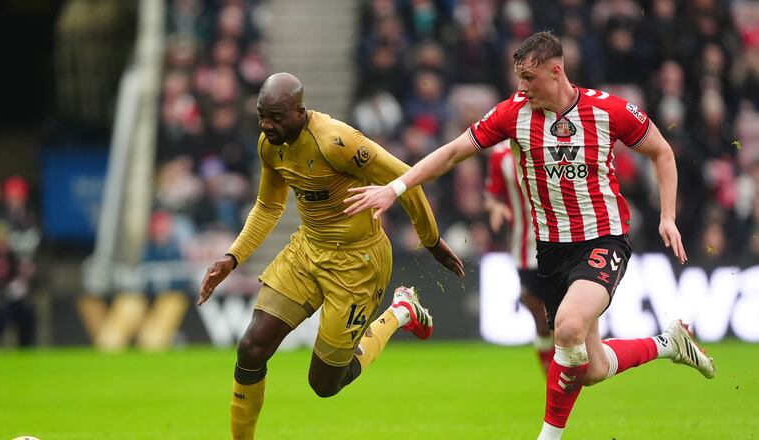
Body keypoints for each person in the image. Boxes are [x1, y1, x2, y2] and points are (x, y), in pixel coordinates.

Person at [344, 31, 715, 440]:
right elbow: (451, 153)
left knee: (570, 328)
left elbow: (661, 151)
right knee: (589, 368)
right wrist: (395, 188)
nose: (521, 86)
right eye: (518, 77)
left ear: (556, 72)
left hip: (603, 239)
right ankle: (669, 343)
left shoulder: (608, 110)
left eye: (529, 78)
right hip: (552, 252)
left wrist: (667, 215)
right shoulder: (512, 114)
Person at [198, 72, 464, 439]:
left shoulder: (337, 142)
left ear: (299, 112)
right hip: (307, 251)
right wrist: (232, 258)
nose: (266, 124)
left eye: (275, 116)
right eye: (262, 115)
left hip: (358, 264)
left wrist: (431, 241)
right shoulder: (268, 143)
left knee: (324, 383)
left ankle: (401, 311)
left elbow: (405, 179)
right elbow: (268, 205)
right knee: (251, 347)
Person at [484, 141, 553, 374]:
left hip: (564, 243)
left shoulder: (557, 140)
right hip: (525, 248)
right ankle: (553, 380)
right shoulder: (501, 154)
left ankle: (568, 372)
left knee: (564, 318)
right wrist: (495, 207)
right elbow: (492, 194)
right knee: (541, 319)